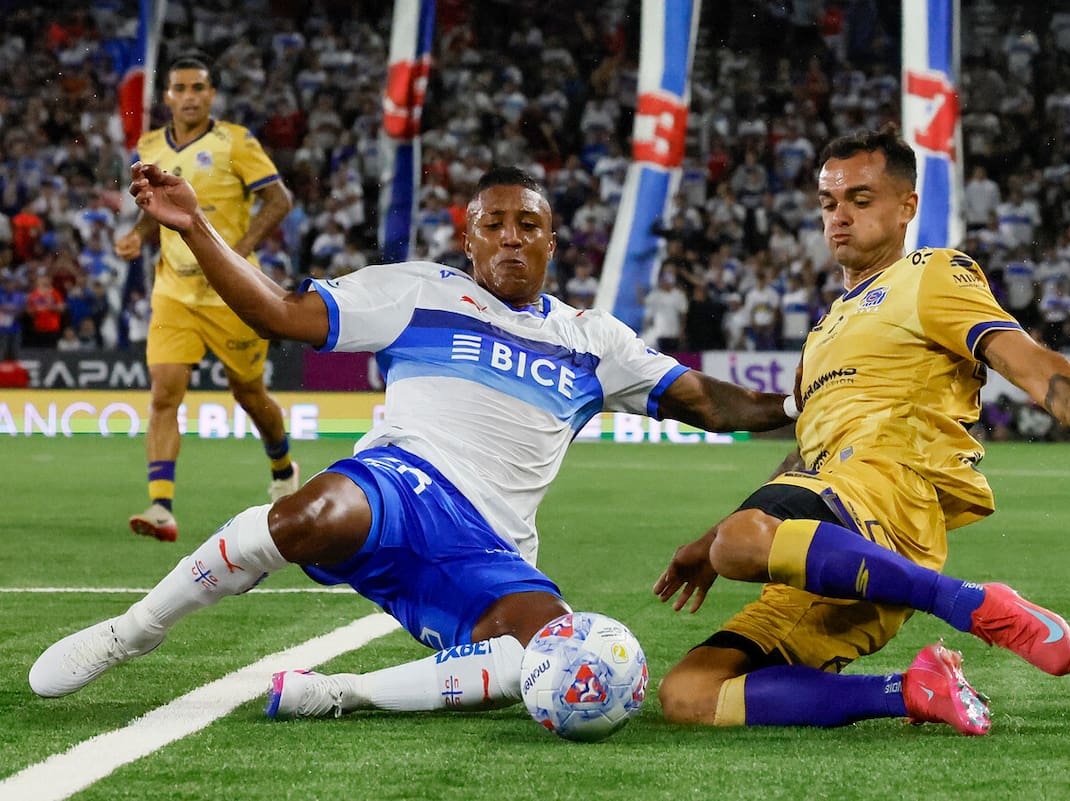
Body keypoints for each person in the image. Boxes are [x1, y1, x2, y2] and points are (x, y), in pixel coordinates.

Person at [29, 165, 797, 721]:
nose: (509, 238)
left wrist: (807, 402)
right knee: (306, 518)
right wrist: (195, 226)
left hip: (492, 545)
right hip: (404, 480)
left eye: (528, 225)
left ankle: (344, 692)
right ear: (468, 238)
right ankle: (131, 632)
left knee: (543, 656)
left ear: (554, 242)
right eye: (492, 224)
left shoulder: (593, 339)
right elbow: (278, 314)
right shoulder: (418, 291)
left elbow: (712, 399)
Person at [653, 129, 1070, 736]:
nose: (839, 217)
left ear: (907, 207)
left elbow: (1026, 359)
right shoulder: (824, 331)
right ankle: (914, 691)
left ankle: (974, 605)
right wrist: (710, 538)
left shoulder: (929, 275)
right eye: (829, 204)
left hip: (890, 496)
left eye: (859, 198)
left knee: (740, 542)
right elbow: (803, 460)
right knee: (689, 693)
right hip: (830, 536)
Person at [114, 56, 298, 543]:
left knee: (249, 393)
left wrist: (236, 253)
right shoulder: (149, 145)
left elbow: (280, 199)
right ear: (168, 96)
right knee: (164, 394)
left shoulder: (236, 141)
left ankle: (282, 468)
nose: (190, 95)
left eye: (198, 87)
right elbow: (158, 208)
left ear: (211, 94)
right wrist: (137, 233)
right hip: (174, 292)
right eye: (180, 88)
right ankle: (160, 506)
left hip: (233, 296)